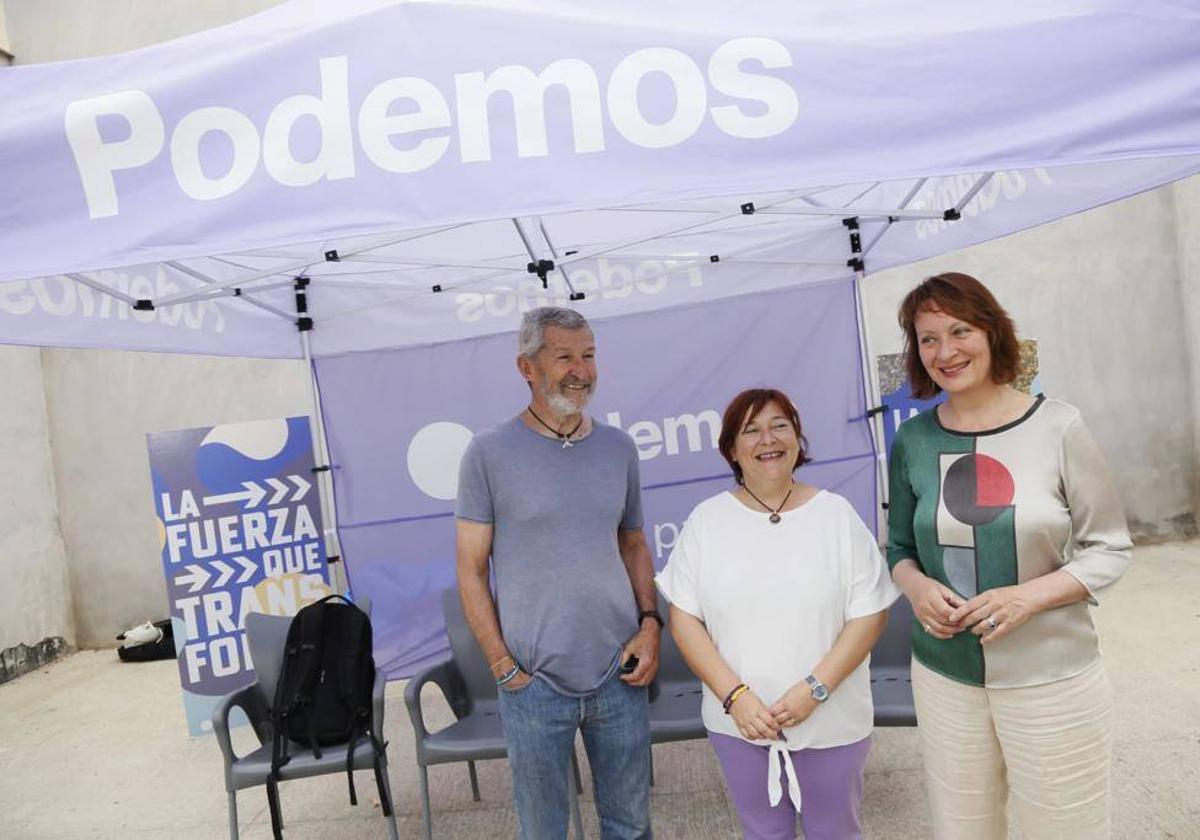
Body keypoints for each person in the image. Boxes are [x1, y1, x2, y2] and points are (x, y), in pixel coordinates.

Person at [887, 272, 1132, 839]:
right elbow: (899, 547)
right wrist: (919, 589)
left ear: (993, 331)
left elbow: (1109, 548)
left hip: (1052, 677)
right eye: (927, 339)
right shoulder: (913, 442)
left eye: (959, 330)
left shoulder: (1059, 426)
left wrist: (1028, 597)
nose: (945, 351)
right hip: (946, 679)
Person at [655, 388, 899, 840]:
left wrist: (815, 688)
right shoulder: (707, 522)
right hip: (741, 723)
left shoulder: (836, 515)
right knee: (764, 834)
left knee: (836, 833)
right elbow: (685, 618)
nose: (767, 439)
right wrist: (735, 698)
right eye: (751, 430)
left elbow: (869, 614)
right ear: (732, 449)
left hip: (831, 717)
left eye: (779, 425)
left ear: (798, 438)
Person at [455, 306, 660, 840]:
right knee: (543, 831)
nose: (582, 370)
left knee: (631, 827)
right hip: (533, 684)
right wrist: (503, 667)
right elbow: (471, 570)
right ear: (527, 367)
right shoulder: (488, 454)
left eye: (589, 356)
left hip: (620, 674)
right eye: (564, 356)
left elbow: (634, 544)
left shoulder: (618, 449)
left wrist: (650, 624)